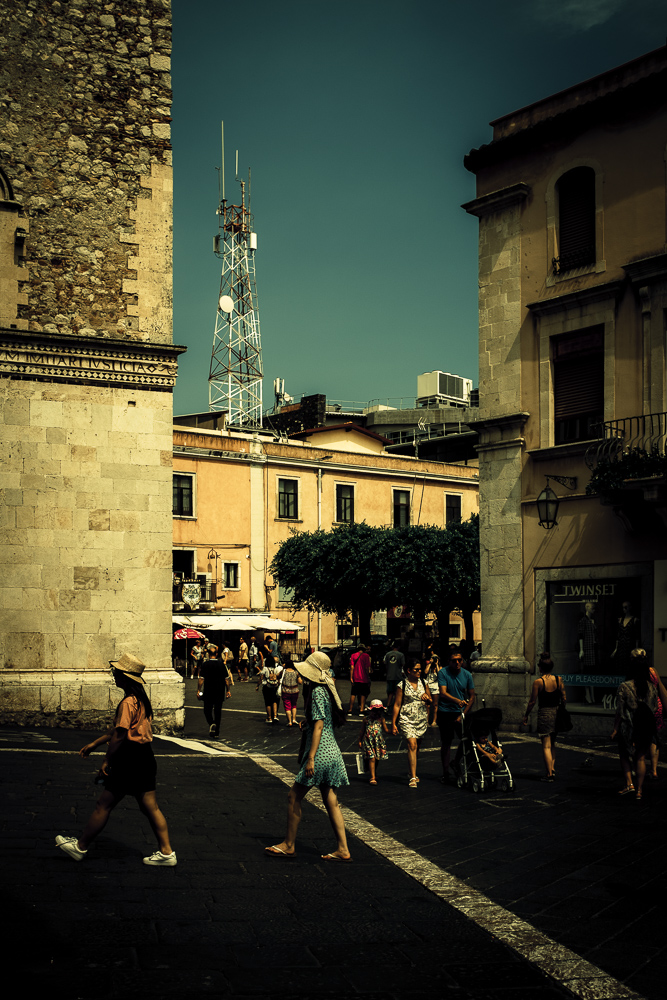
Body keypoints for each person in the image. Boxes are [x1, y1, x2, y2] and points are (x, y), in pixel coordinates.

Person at [55, 653, 176, 866]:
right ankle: (167, 853)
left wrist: (106, 761)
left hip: (129, 759)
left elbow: (120, 736)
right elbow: (122, 729)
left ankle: (80, 846)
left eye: (116, 672)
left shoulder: (128, 702)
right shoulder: (141, 701)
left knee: (103, 804)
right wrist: (96, 742)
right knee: (151, 806)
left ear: (124, 677)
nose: (114, 675)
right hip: (145, 757)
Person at [265, 651, 351, 861]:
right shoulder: (327, 690)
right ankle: (343, 849)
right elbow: (320, 722)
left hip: (320, 752)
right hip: (333, 751)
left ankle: (289, 844)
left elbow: (319, 726)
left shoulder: (316, 692)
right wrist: (309, 723)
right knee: (331, 800)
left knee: (293, 796)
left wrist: (311, 757)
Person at [611, 650, 658, 799]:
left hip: (628, 726)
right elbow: (654, 708)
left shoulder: (624, 686)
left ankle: (629, 784)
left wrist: (615, 728)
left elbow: (619, 710)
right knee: (641, 757)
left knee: (625, 754)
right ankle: (639, 790)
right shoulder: (651, 687)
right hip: (645, 727)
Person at [523, 652, 565, 782]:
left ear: (540, 667)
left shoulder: (538, 682)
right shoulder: (559, 680)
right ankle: (551, 768)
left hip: (545, 714)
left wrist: (526, 715)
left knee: (546, 745)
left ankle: (549, 774)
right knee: (553, 743)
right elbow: (564, 698)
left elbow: (532, 702)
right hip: (556, 713)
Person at [392, 658, 431, 787]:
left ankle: (411, 770)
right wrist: (393, 723)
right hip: (406, 718)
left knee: (417, 746)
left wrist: (427, 698)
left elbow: (430, 700)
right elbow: (397, 704)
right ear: (409, 671)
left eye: (420, 669)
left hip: (420, 718)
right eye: (416, 670)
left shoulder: (424, 682)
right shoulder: (402, 685)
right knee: (412, 744)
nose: (419, 672)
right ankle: (413, 777)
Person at [437, 651, 475, 783]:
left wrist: (463, 713)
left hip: (460, 712)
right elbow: (443, 693)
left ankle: (456, 761)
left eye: (459, 660)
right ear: (449, 662)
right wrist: (457, 701)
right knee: (446, 742)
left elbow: (472, 696)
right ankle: (445, 772)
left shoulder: (467, 674)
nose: (457, 663)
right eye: (454, 660)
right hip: (445, 712)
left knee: (467, 741)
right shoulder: (443, 673)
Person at [197, 643, 232, 737]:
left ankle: (211, 723)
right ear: (216, 654)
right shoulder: (222, 665)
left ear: (208, 654)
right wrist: (228, 690)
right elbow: (227, 679)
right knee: (218, 711)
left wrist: (198, 690)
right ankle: (217, 731)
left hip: (208, 690)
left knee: (207, 710)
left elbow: (201, 679)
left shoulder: (205, 664)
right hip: (220, 691)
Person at [358, 699, 389, 785]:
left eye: (379, 710)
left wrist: (392, 731)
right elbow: (362, 731)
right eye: (375, 710)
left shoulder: (381, 719)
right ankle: (372, 777)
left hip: (378, 742)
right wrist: (359, 740)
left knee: (377, 758)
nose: (377, 712)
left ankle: (373, 773)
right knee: (372, 758)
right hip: (368, 741)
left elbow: (386, 730)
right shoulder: (366, 719)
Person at [256, 650, 283, 723]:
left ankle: (269, 718)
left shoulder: (265, 668)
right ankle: (275, 716)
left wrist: (257, 685)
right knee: (274, 701)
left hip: (267, 686)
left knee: (268, 702)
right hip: (274, 686)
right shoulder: (275, 669)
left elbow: (261, 677)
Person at [348, 644, 372, 716]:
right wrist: (368, 676)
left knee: (353, 694)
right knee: (363, 694)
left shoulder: (353, 655)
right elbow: (367, 667)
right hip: (363, 677)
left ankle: (350, 710)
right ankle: (361, 710)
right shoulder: (366, 656)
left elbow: (352, 667)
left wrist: (351, 677)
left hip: (355, 677)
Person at [280, 651, 302, 726]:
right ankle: (294, 719)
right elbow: (300, 682)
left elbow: (277, 676)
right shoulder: (296, 672)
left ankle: (289, 721)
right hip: (295, 691)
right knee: (294, 705)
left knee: (287, 706)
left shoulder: (283, 672)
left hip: (285, 691)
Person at [383, 641, 405, 713]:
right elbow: (403, 665)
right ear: (398, 647)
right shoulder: (401, 655)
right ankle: (397, 706)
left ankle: (388, 706)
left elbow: (384, 663)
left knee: (390, 692)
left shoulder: (387, 654)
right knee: (398, 692)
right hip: (397, 676)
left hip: (389, 675)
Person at [423, 652, 441, 726]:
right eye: (432, 658)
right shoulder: (429, 666)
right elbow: (425, 672)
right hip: (428, 686)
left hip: (435, 687)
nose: (432, 659)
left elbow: (440, 674)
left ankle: (434, 721)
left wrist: (436, 664)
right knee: (427, 705)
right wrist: (430, 664)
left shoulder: (440, 667)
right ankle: (426, 721)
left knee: (435, 705)